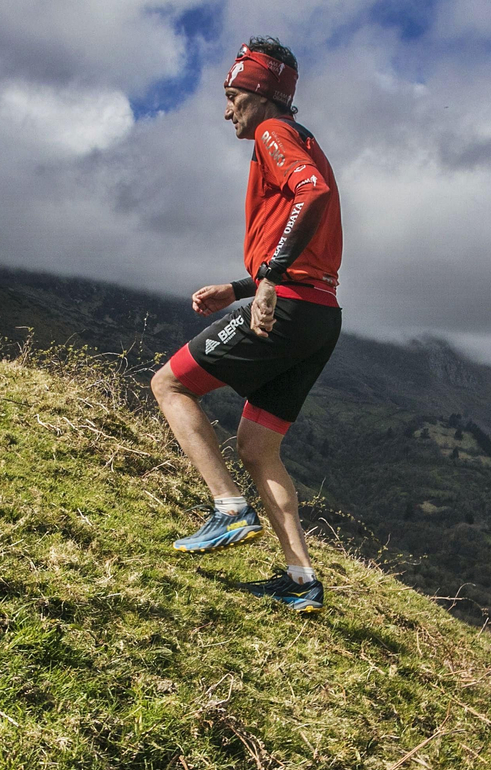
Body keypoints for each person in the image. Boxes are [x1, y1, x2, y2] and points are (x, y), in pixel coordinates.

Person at [149, 37, 343, 614]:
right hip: (320, 315)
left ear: (261, 96)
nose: (227, 109)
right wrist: (239, 285)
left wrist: (268, 277)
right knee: (260, 448)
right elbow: (307, 233)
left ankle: (228, 509)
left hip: (285, 306)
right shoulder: (300, 138)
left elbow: (312, 192)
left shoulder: (272, 134)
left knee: (170, 384)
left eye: (234, 96)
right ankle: (301, 579)